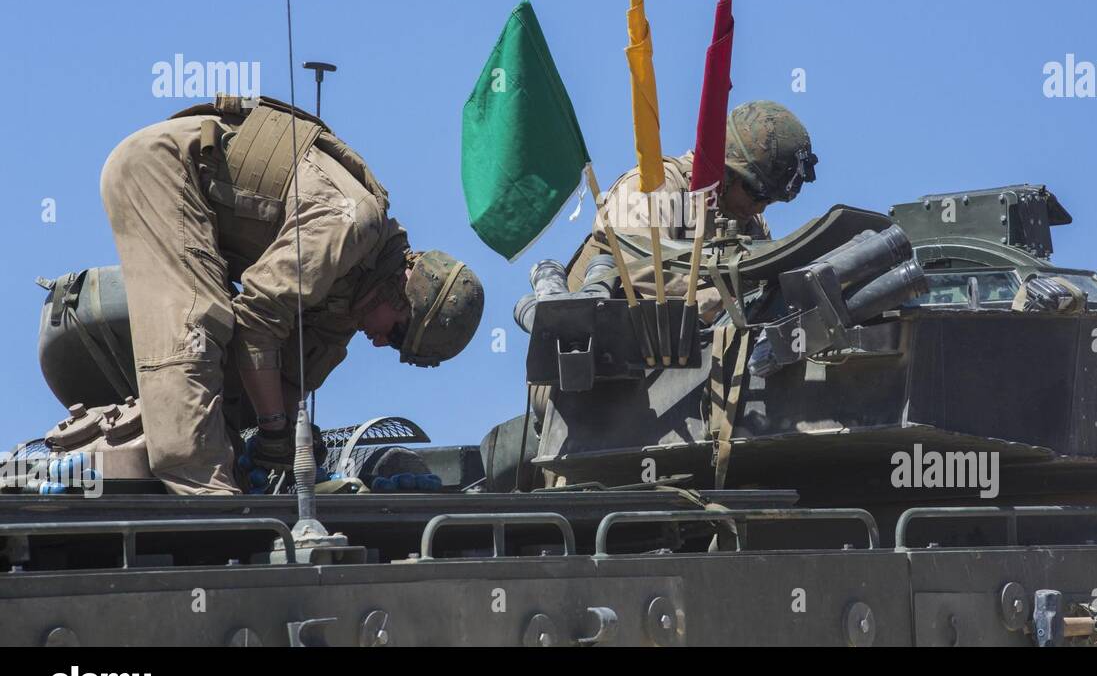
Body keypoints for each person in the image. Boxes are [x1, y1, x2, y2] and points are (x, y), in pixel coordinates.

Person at [99, 94, 483, 495]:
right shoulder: (350, 224)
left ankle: (231, 483)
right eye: (399, 335)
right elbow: (256, 325)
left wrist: (288, 436)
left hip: (206, 206)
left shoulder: (351, 300)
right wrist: (275, 428)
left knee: (236, 377)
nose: (382, 342)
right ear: (404, 293)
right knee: (196, 328)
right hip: (164, 171)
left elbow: (288, 375)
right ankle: (206, 497)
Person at [566, 100, 817, 318]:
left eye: (770, 200)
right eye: (757, 193)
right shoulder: (656, 185)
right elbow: (642, 269)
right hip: (594, 356)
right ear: (725, 171)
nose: (760, 207)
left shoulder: (749, 225)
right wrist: (725, 306)